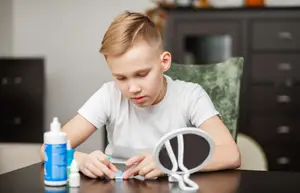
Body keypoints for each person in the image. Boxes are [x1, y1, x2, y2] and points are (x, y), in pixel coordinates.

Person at [40, 11, 241, 180]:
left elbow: (231, 154)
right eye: (121, 77)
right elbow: (46, 149)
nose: (132, 88)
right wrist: (80, 160)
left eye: (142, 74)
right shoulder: (108, 95)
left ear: (164, 62)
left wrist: (170, 163)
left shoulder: (190, 95)